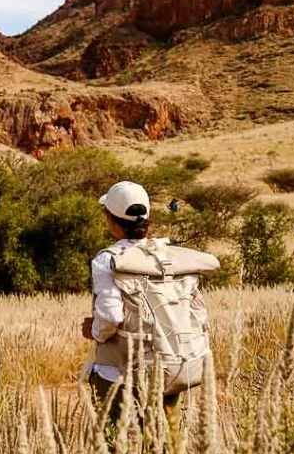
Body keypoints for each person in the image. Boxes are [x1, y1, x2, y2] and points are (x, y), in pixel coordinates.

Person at [82, 181, 217, 430]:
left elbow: (111, 316)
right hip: (171, 369)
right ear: (148, 219)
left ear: (111, 220)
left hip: (121, 375)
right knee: (164, 452)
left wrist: (94, 331)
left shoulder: (107, 260)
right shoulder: (170, 257)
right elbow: (199, 313)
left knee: (116, 451)